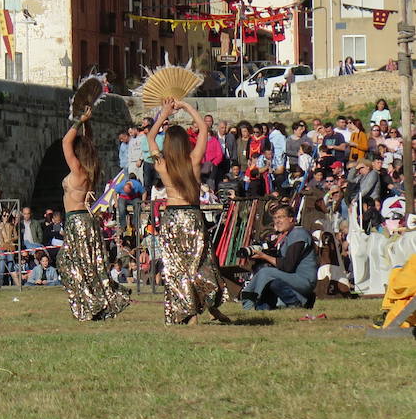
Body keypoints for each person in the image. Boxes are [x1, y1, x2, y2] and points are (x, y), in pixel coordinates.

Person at [148, 98, 229, 325]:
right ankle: (212, 308)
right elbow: (203, 128)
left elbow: (150, 137)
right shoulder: (193, 160)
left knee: (177, 267)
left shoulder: (162, 164)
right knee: (202, 262)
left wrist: (164, 113)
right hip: (192, 215)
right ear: (185, 142)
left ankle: (189, 312)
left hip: (172, 216)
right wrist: (185, 107)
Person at [58, 105, 130, 321]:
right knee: (89, 265)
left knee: (67, 263)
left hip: (77, 221)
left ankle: (90, 303)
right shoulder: (91, 169)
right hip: (87, 220)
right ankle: (95, 303)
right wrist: (88, 124)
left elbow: (65, 142)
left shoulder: (78, 170)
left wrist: (79, 120)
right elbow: (88, 142)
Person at [242, 205, 317, 310]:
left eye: (281, 217)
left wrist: (264, 256)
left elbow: (287, 266)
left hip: (305, 280)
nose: (277, 221)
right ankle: (263, 307)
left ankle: (249, 303)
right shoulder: (287, 236)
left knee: (266, 273)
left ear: (291, 219)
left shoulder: (298, 234)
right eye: (275, 218)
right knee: (270, 279)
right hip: (293, 279)